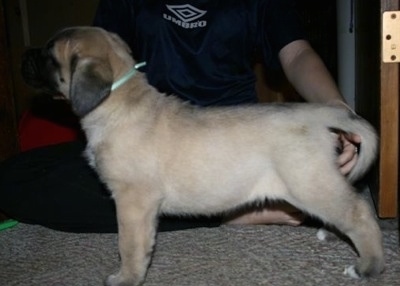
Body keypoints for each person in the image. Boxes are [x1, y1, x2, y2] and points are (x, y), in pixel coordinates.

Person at [0, 0, 360, 233]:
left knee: (132, 197)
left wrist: (336, 110)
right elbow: (102, 67)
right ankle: (226, 207)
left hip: (232, 141)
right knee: (14, 178)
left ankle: (225, 209)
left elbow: (295, 54)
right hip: (153, 137)